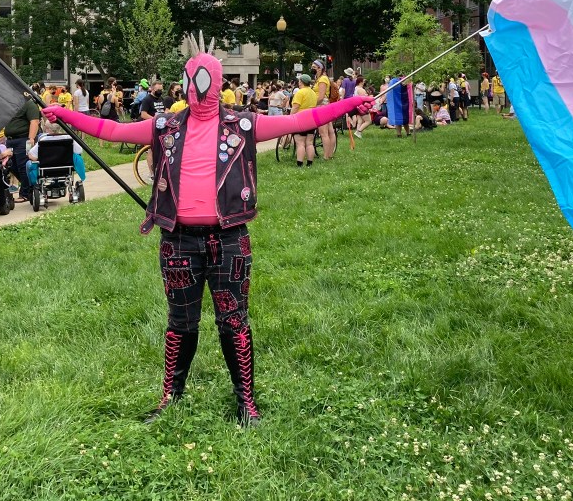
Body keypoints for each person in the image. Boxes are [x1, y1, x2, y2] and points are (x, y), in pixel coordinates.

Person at [41, 36, 373, 426]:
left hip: (229, 239)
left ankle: (246, 401)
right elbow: (109, 130)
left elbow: (301, 120)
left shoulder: (243, 125)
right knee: (180, 322)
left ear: (216, 84)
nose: (198, 90)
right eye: (192, 81)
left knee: (234, 321)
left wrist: (349, 104)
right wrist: (64, 116)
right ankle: (170, 396)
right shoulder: (164, 127)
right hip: (178, 240)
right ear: (185, 83)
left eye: (204, 81)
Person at [3, 91, 41, 203]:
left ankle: (25, 193)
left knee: (23, 166)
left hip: (24, 140)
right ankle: (29, 187)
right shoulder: (11, 105)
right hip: (11, 140)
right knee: (11, 165)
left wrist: (31, 139)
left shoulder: (29, 104)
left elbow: (34, 121)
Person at [310, 59, 336, 159]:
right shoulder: (320, 78)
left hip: (321, 107)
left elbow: (320, 97)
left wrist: (311, 105)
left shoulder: (322, 79)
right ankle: (329, 154)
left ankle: (326, 156)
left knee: (324, 132)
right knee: (330, 131)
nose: (312, 69)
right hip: (325, 106)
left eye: (314, 67)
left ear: (320, 68)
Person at [291, 73, 317, 167]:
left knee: (300, 143)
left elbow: (295, 107)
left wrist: (290, 118)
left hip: (300, 119)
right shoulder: (313, 93)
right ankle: (309, 163)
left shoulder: (300, 92)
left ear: (301, 82)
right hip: (311, 119)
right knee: (309, 143)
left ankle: (300, 164)